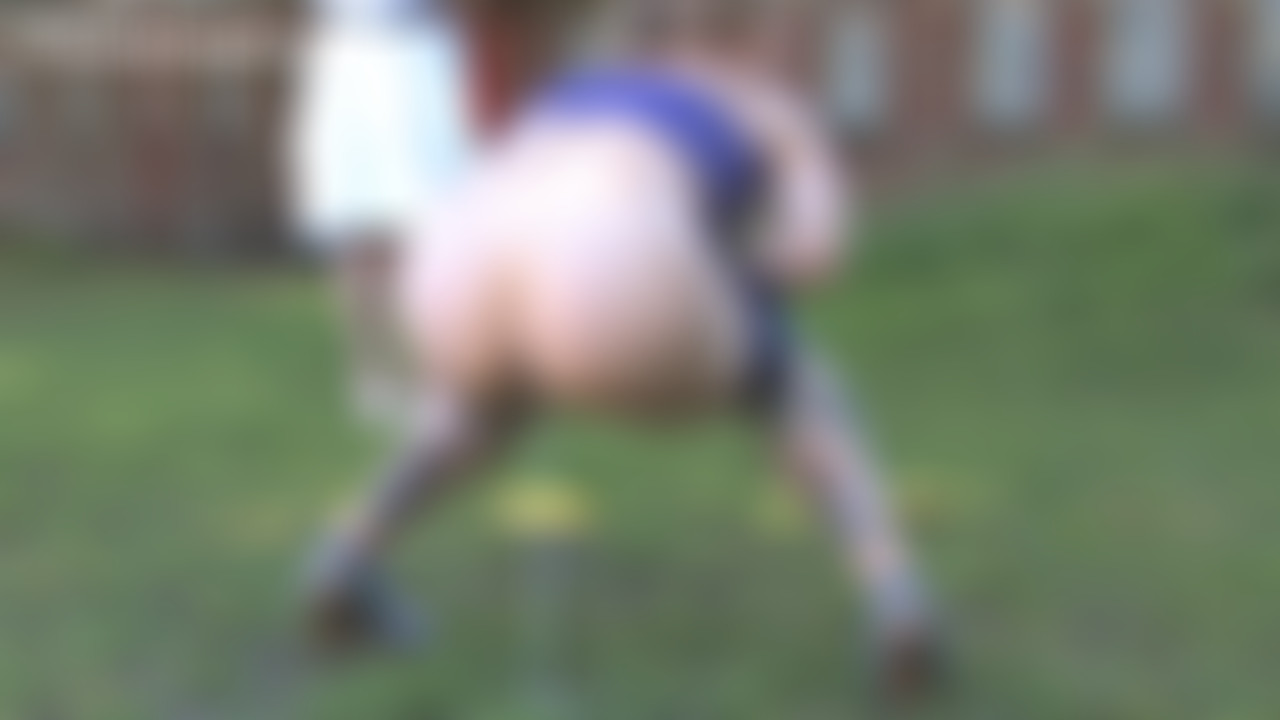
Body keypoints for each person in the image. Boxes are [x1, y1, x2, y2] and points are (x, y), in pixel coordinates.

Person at [303, 0, 944, 701]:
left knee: (474, 410)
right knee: (801, 388)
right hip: (611, 264)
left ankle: (347, 555)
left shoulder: (581, 87)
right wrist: (743, 283)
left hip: (453, 261)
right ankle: (897, 594)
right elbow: (815, 253)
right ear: (758, 34)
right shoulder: (766, 104)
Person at [287, 0, 474, 424]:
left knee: (432, 227)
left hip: (421, 53)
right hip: (347, 53)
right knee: (354, 225)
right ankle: (370, 374)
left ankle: (437, 375)